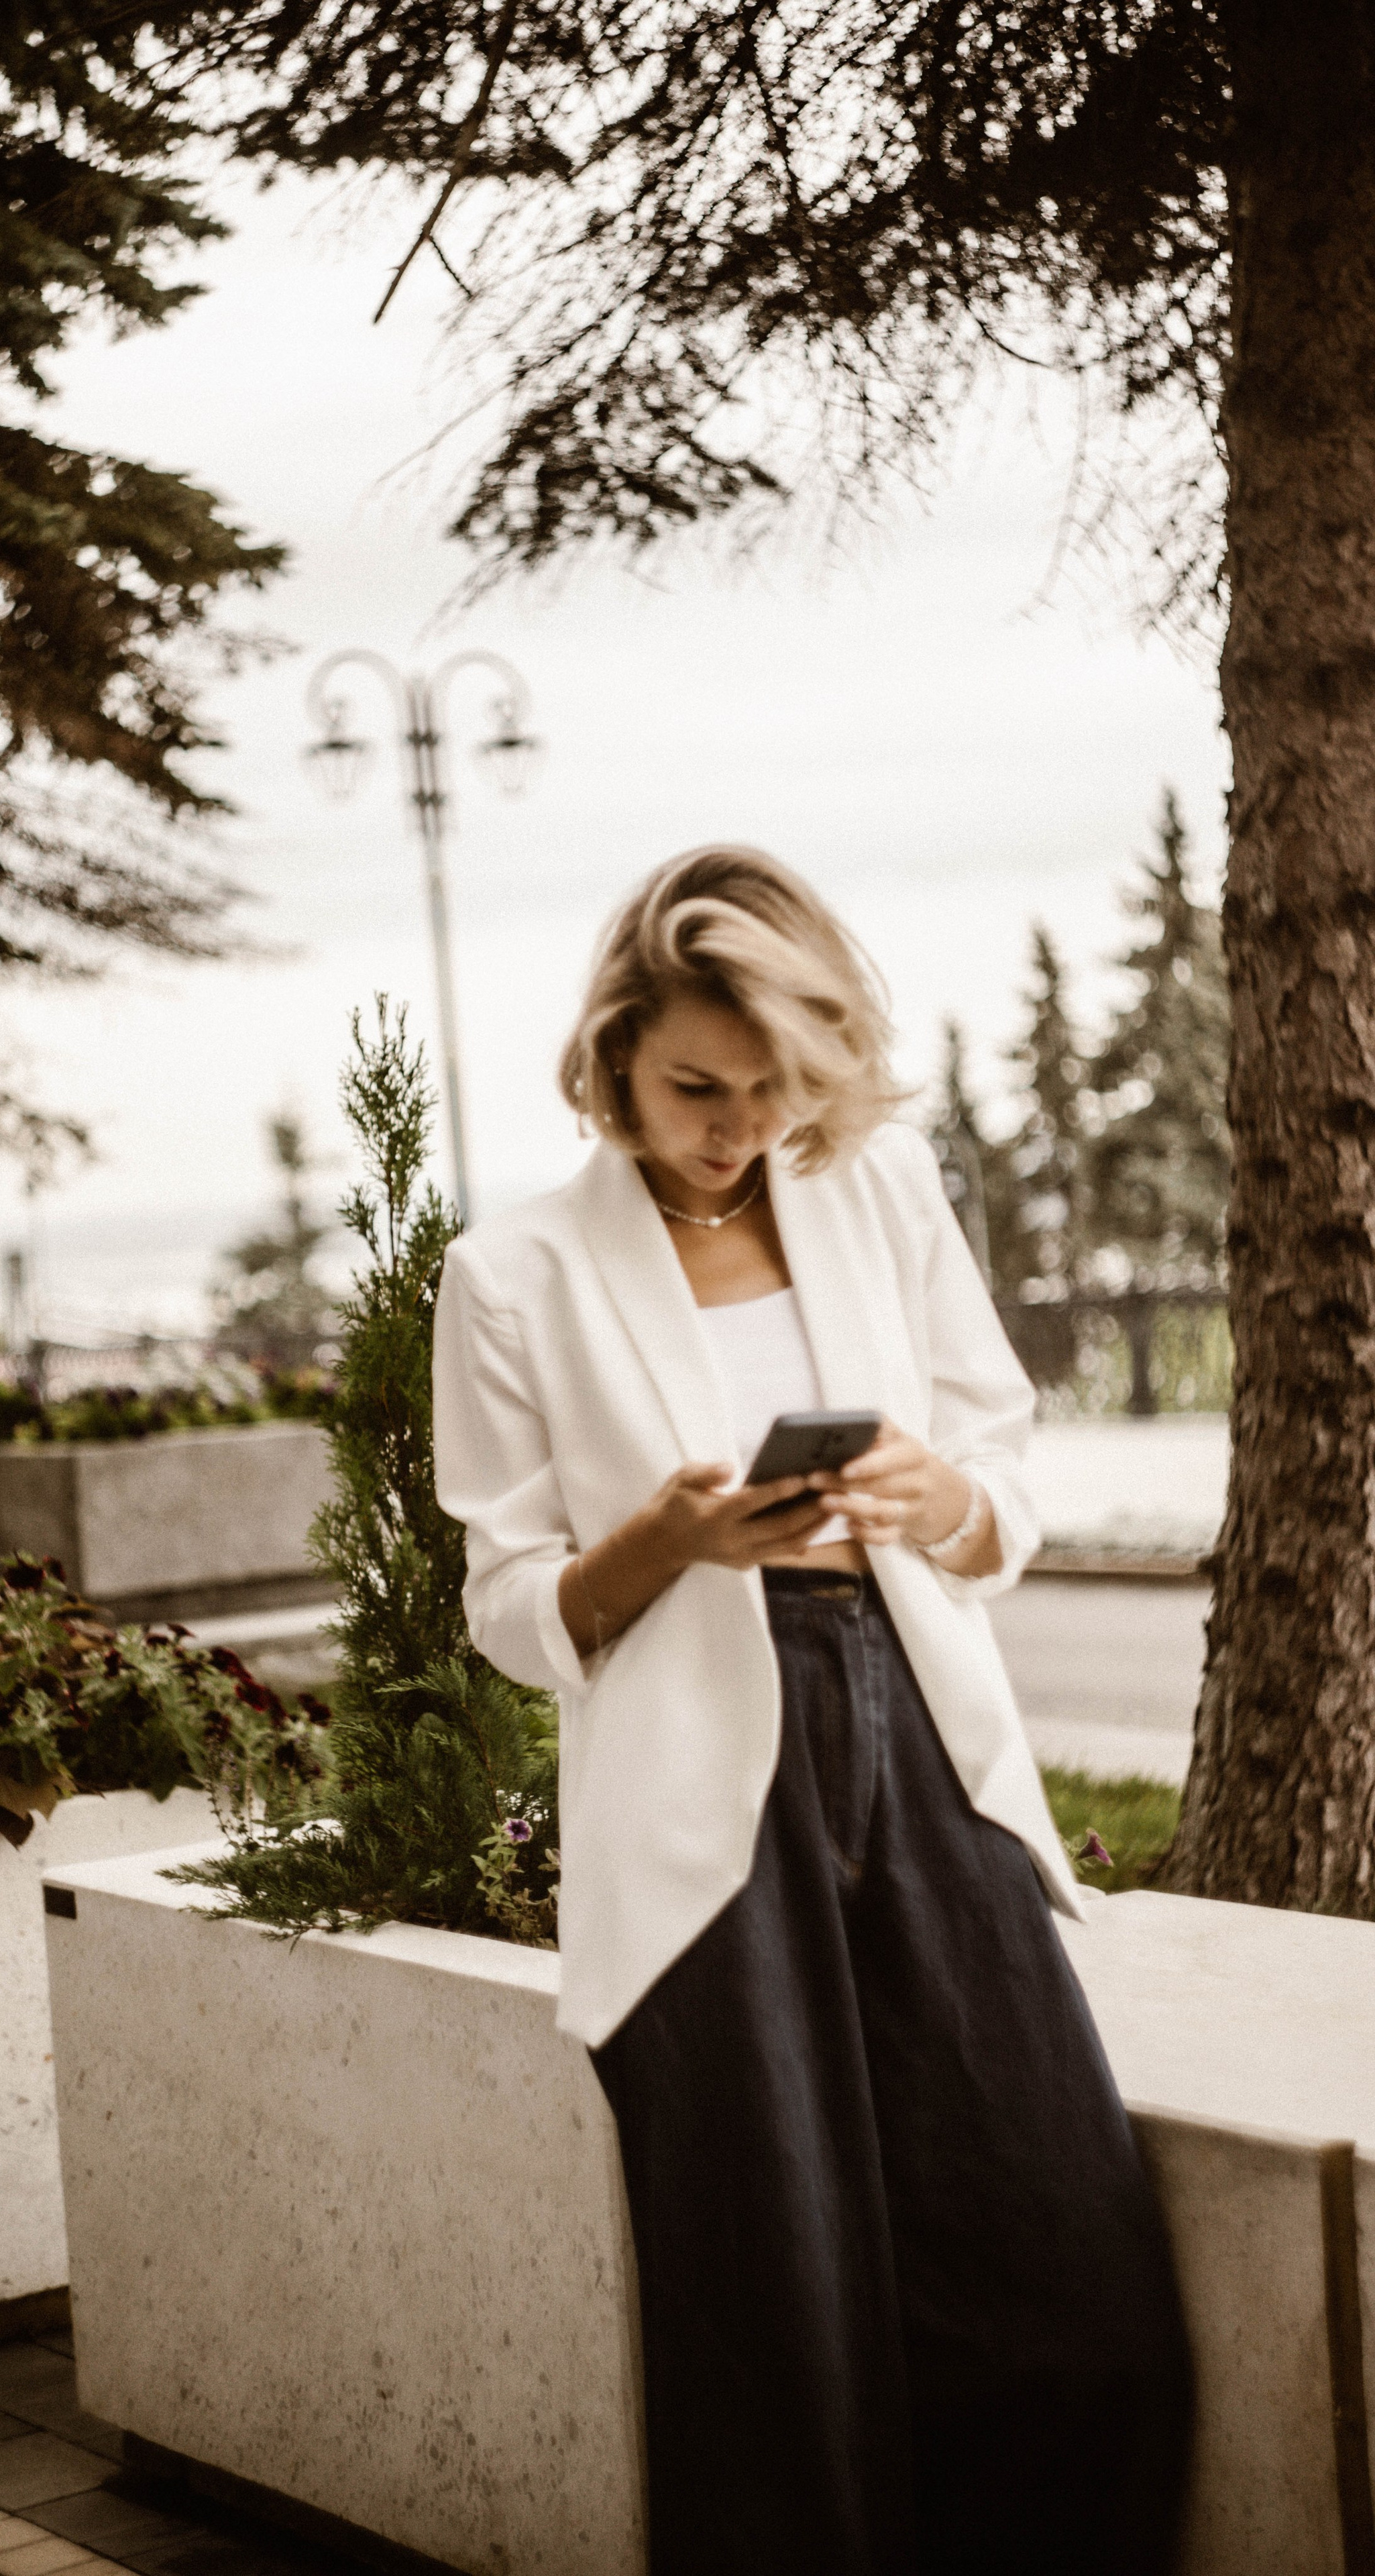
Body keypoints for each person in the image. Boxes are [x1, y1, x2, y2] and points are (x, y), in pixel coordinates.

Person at [432, 847, 1192, 2576]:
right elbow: (507, 1604)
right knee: (778, 2344)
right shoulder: (516, 1274)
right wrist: (671, 1539)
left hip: (917, 1736)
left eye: (773, 1091)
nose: (734, 1127)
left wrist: (944, 1502)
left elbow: (998, 1462)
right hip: (699, 1800)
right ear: (615, 1048)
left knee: (1078, 2297)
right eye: (699, 1085)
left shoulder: (878, 1189)